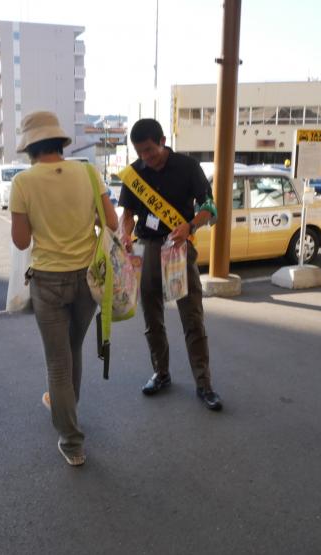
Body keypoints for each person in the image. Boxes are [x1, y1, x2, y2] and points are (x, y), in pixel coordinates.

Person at [10, 111, 117, 466]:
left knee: (57, 363)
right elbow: (112, 222)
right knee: (73, 350)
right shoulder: (88, 172)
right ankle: (68, 412)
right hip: (87, 278)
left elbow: (22, 241)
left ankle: (72, 441)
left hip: (48, 281)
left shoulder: (24, 183)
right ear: (58, 140)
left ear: (30, 146)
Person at [118, 118, 222, 411]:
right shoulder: (135, 174)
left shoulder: (188, 166)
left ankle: (204, 384)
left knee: (192, 318)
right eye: (140, 153)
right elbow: (127, 213)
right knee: (152, 317)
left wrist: (190, 226)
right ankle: (161, 373)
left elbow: (209, 207)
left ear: (162, 140)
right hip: (147, 248)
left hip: (178, 247)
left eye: (149, 150)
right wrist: (126, 233)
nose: (146, 158)